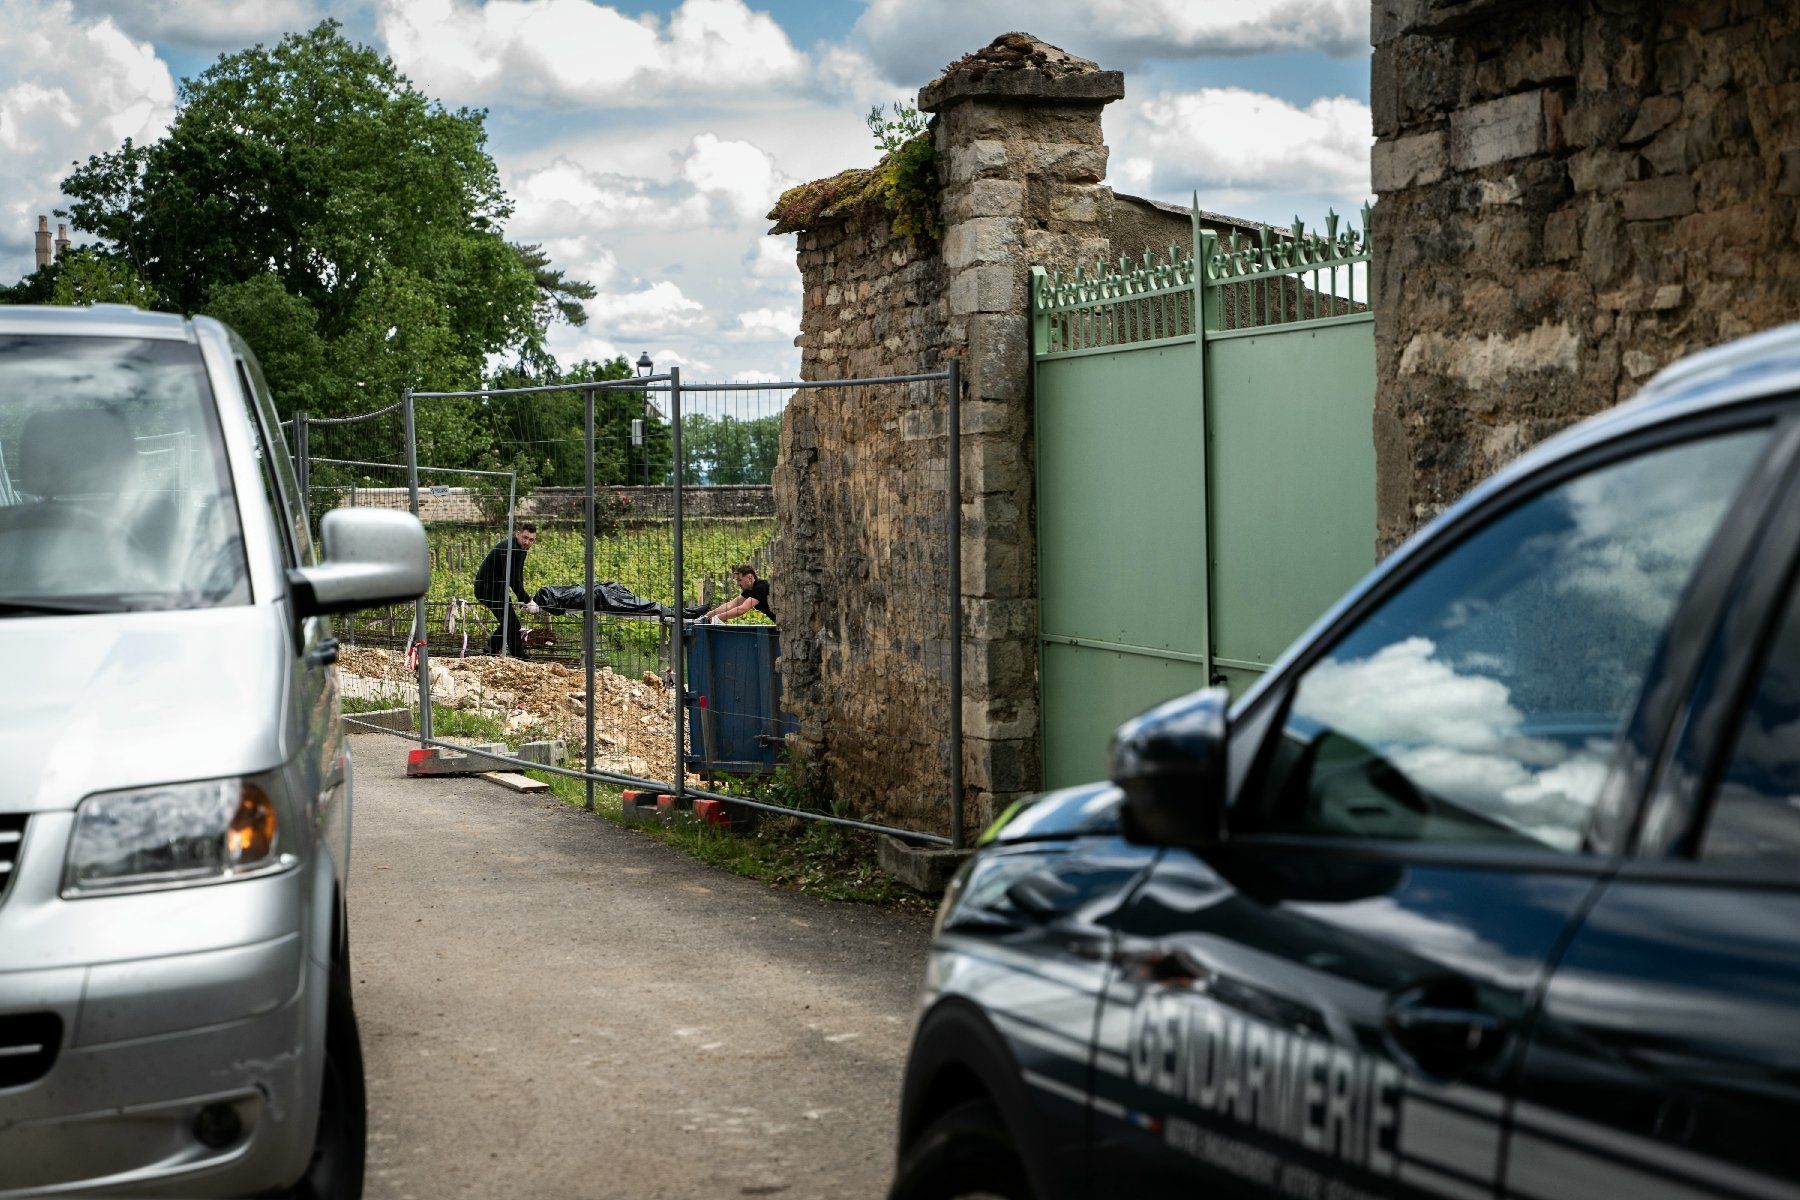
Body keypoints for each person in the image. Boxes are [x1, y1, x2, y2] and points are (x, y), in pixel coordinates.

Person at [473, 523, 538, 656]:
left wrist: (521, 599)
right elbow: (513, 580)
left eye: (531, 539)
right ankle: (520, 656)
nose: (527, 542)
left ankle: (490, 649)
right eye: (525, 537)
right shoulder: (510, 549)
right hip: (486, 589)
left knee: (510, 623)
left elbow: (518, 575)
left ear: (534, 541)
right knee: (512, 624)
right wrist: (527, 600)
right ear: (517, 534)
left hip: (498, 589)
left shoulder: (520, 549)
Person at [702, 563, 774, 625]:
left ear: (750, 577)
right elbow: (731, 605)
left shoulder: (761, 587)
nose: (738, 584)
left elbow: (742, 609)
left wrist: (717, 618)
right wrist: (706, 616)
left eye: (740, 580)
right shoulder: (750, 590)